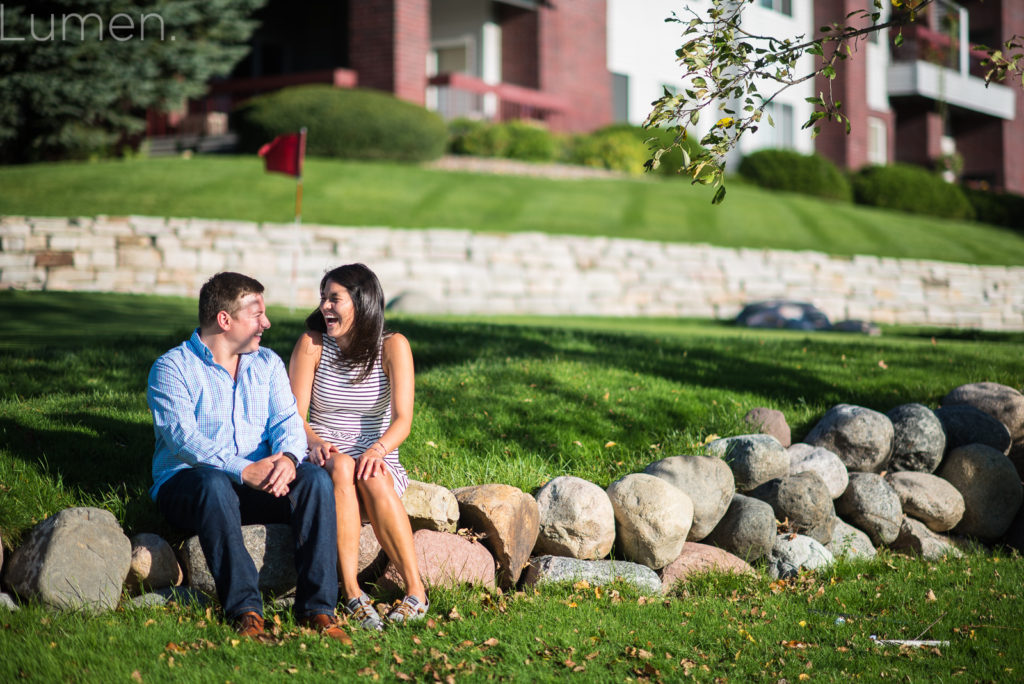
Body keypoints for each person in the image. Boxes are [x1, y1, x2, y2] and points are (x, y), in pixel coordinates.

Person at [147, 272, 347, 642]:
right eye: (257, 315)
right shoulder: (171, 368)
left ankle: (318, 610)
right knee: (213, 483)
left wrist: (287, 457)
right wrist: (243, 470)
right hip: (190, 484)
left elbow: (288, 421)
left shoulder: (266, 363)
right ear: (225, 320)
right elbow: (184, 441)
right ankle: (246, 611)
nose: (267, 323)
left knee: (315, 480)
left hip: (259, 480)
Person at [289, 263, 427, 630]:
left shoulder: (393, 346)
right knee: (344, 467)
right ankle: (351, 593)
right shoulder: (312, 344)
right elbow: (294, 416)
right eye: (323, 298)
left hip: (375, 453)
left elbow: (403, 420)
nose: (325, 307)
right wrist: (315, 442)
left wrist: (378, 450)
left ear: (362, 302)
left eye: (334, 299)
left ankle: (416, 591)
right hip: (323, 454)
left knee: (374, 476)